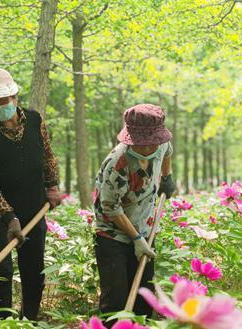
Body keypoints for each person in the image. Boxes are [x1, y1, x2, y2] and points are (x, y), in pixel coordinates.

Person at [0, 68, 61, 320]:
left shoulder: (35, 120)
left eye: (2, 101)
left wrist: (52, 185)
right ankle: (1, 322)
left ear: (14, 98)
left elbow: (47, 154)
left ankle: (30, 319)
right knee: (1, 270)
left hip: (34, 206)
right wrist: (8, 217)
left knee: (33, 269)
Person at [92, 104, 176, 325]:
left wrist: (166, 177)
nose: (149, 148)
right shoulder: (117, 162)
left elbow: (167, 153)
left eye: (152, 142)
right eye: (142, 143)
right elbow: (110, 207)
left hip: (145, 228)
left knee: (144, 297)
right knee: (116, 301)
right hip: (113, 235)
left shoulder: (162, 144)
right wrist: (135, 239)